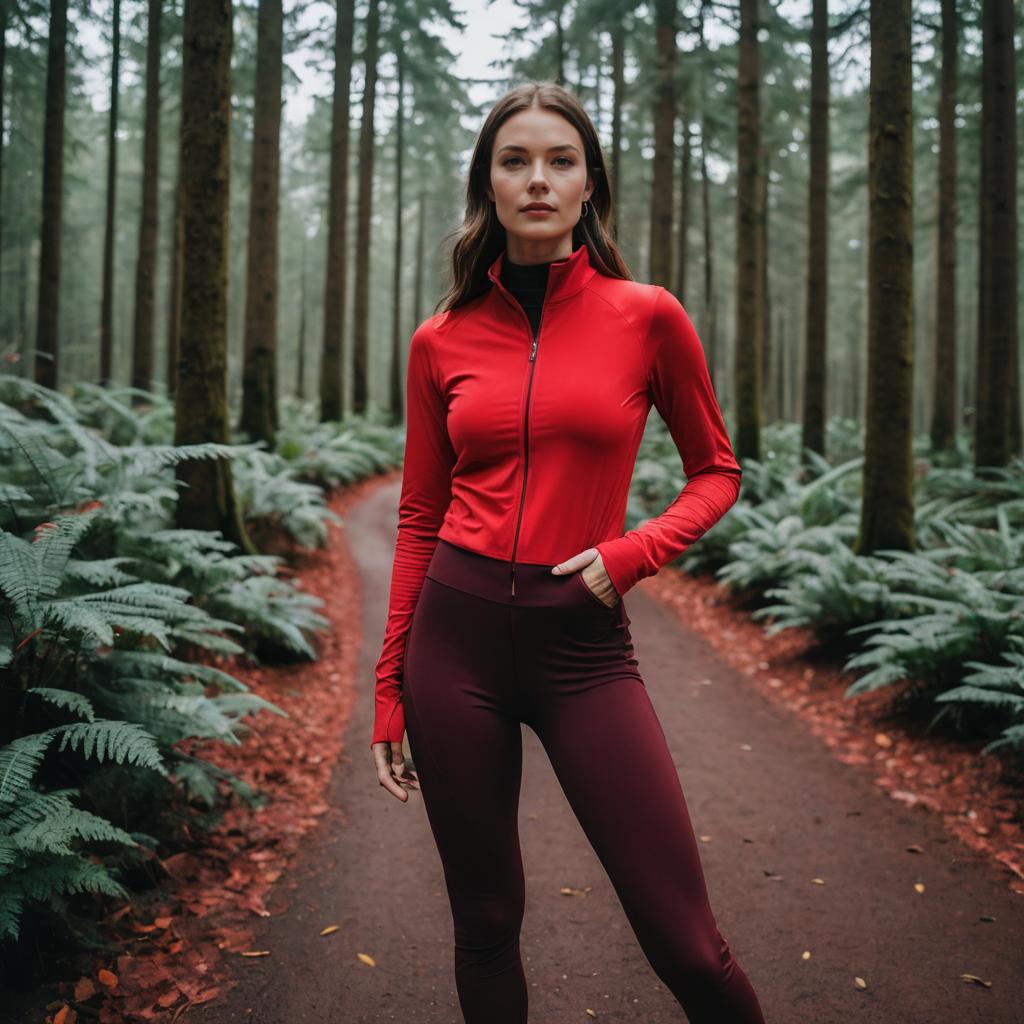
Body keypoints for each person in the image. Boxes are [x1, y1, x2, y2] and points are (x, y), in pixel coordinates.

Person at [370, 80, 766, 1024]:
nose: (537, 179)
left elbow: (717, 471)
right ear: (489, 186)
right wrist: (390, 687)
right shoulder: (441, 339)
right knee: (486, 924)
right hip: (453, 645)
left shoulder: (648, 316)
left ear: (590, 184)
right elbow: (420, 517)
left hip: (583, 647)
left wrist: (632, 552)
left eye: (560, 161)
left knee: (686, 942)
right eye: (515, 161)